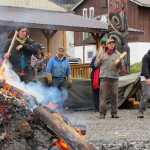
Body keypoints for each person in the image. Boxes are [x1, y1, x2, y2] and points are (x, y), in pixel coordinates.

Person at [95, 38, 124, 119]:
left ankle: (114, 113)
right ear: (107, 45)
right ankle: (102, 114)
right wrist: (99, 58)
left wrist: (120, 62)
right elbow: (96, 65)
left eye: (113, 43)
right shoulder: (102, 53)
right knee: (103, 97)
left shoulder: (118, 54)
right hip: (104, 78)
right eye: (110, 43)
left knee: (114, 96)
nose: (111, 45)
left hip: (114, 78)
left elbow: (122, 67)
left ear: (114, 45)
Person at [90, 37, 107, 112]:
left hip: (104, 75)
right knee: (96, 93)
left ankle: (102, 107)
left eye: (105, 45)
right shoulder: (96, 56)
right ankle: (97, 107)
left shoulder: (108, 55)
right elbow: (92, 66)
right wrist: (98, 63)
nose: (103, 47)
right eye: (103, 45)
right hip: (96, 76)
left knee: (103, 93)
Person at [137, 50, 150, 118]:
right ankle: (140, 111)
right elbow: (144, 68)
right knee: (146, 95)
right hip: (145, 78)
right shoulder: (146, 57)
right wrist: (147, 78)